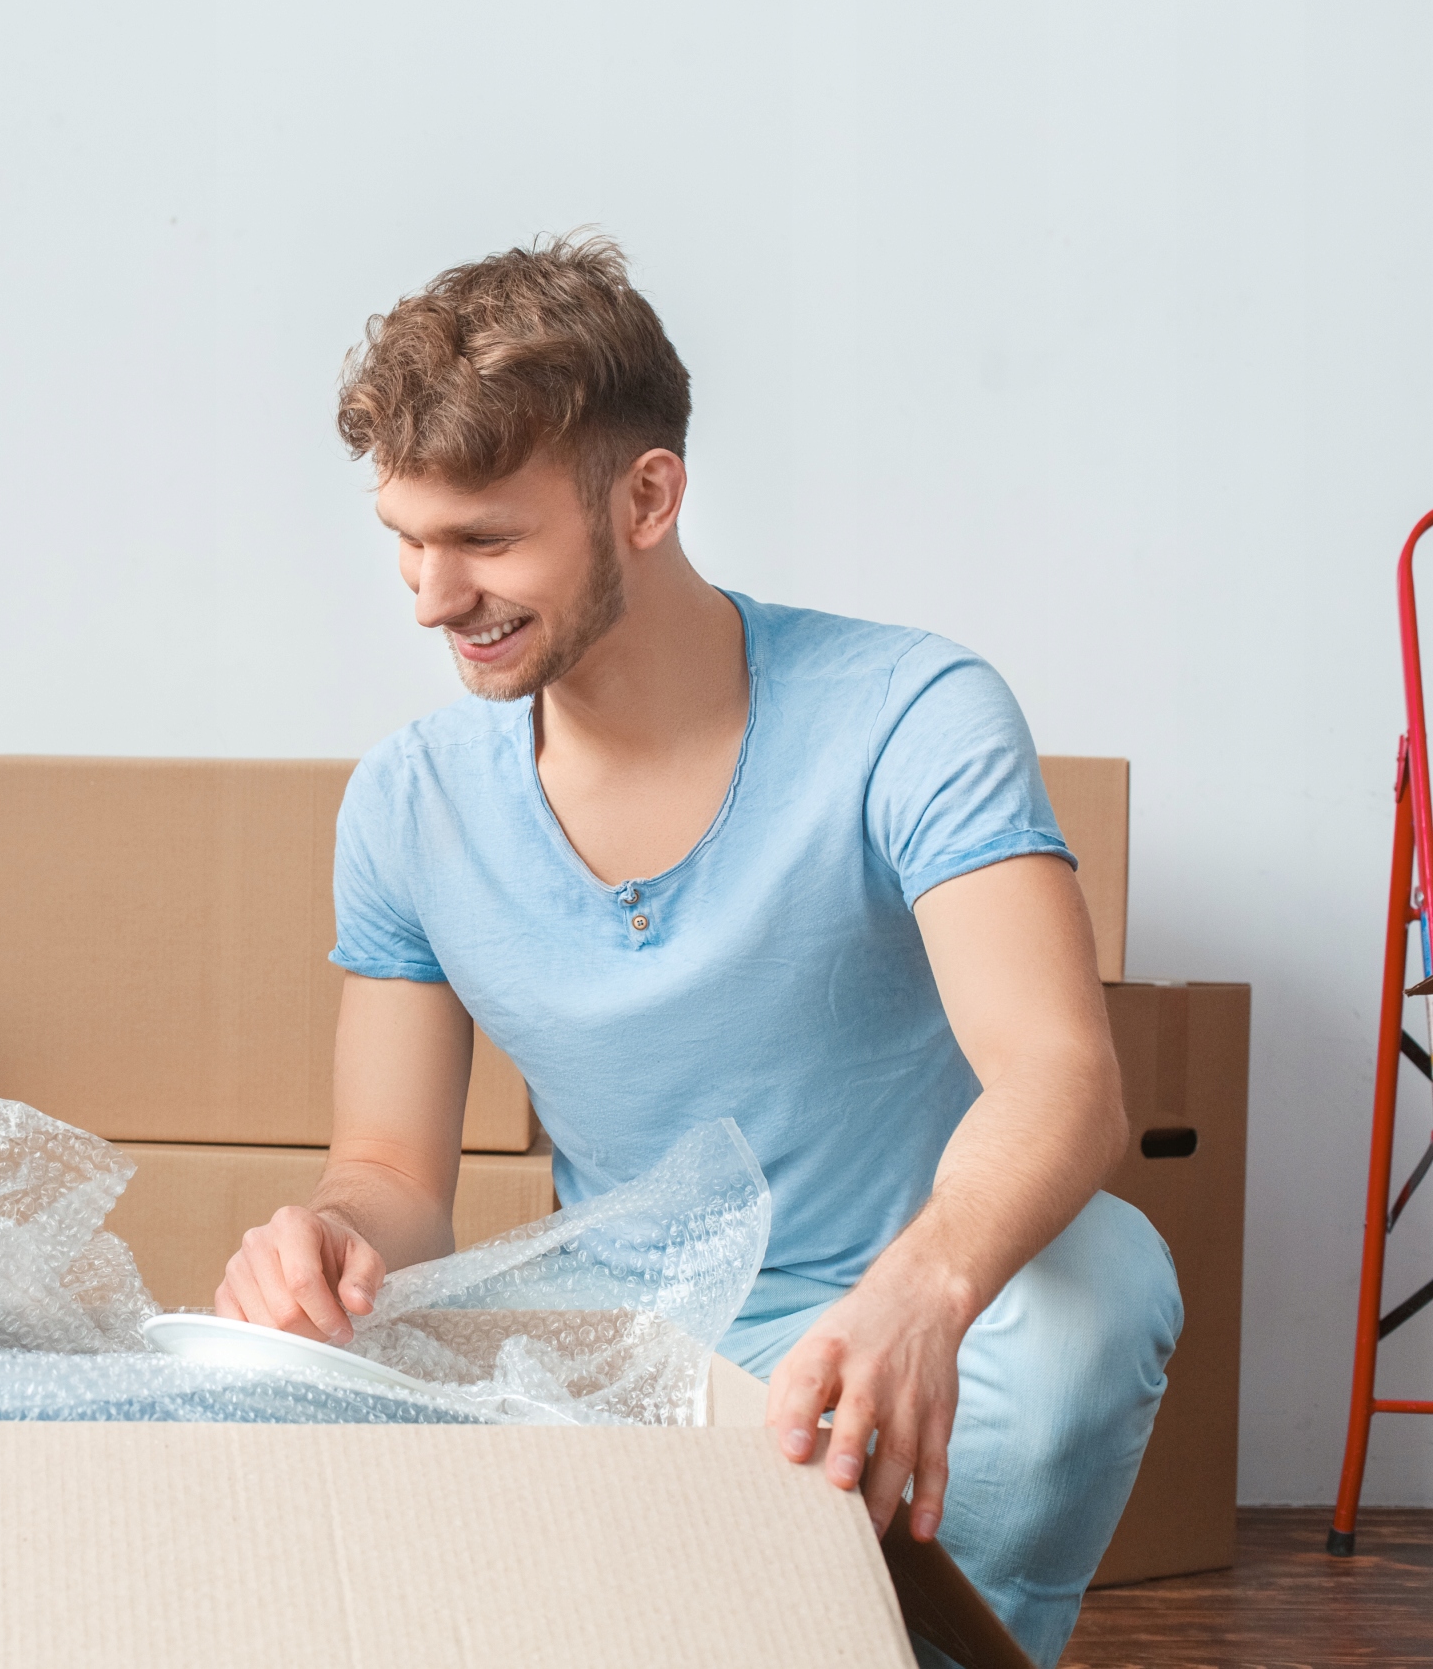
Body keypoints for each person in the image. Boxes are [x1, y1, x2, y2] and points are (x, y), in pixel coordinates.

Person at [210, 236, 1181, 1667]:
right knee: (303, 1373)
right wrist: (333, 1241)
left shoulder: (911, 713)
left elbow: (1062, 1076)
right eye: (408, 540)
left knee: (1098, 1300)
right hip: (626, 1324)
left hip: (899, 1292)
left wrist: (925, 1290)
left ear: (648, 498)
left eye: (485, 541)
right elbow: (394, 1173)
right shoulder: (411, 803)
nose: (430, 596)